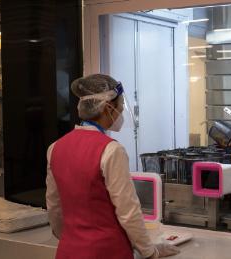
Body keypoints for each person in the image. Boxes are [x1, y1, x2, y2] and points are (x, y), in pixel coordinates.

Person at [46, 74, 180, 259]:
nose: (121, 112)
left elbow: (54, 205)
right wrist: (149, 251)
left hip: (69, 251)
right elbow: (128, 211)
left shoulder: (55, 148)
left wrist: (72, 239)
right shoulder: (110, 150)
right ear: (107, 107)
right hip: (107, 251)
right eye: (119, 106)